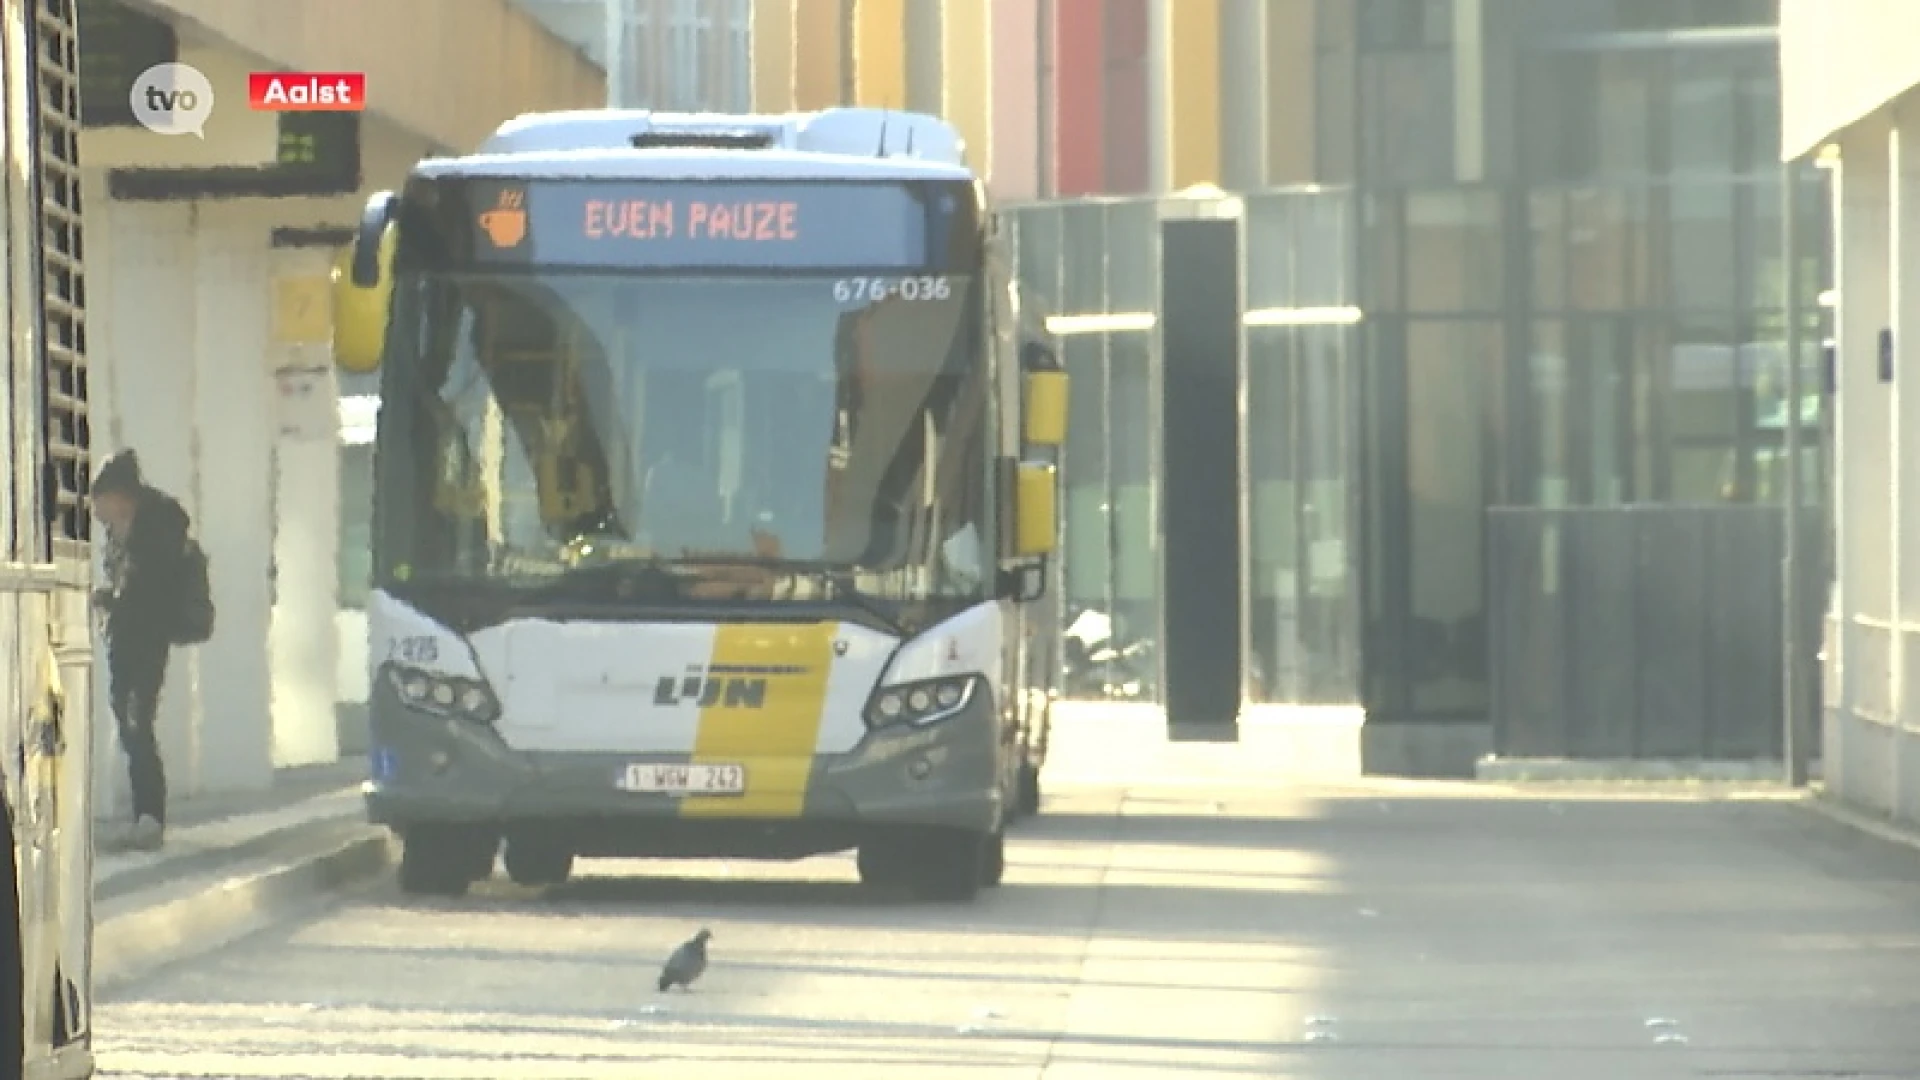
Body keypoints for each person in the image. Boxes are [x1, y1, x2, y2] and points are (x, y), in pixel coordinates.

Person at [90, 450, 192, 852]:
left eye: (102, 503)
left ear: (120, 496)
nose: (98, 513)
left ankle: (150, 816)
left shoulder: (156, 528)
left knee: (137, 722)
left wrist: (112, 599)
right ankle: (144, 815)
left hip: (147, 639)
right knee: (130, 723)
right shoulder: (121, 531)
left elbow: (147, 591)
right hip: (125, 638)